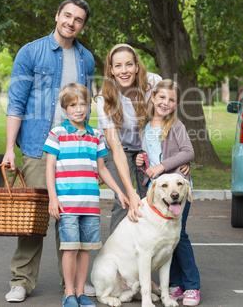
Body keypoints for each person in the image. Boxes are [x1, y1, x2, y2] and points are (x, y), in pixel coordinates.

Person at [2, 0, 96, 303]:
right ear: (57, 16)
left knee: (70, 216)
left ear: (83, 25)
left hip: (74, 150)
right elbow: (16, 104)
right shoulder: (31, 52)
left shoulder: (87, 60)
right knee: (34, 218)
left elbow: (86, 107)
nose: (71, 22)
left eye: (78, 19)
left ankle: (69, 283)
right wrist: (9, 150)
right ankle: (21, 281)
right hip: (36, 147)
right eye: (67, 15)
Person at [43, 83, 129, 307]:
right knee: (70, 250)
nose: (78, 109)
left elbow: (102, 169)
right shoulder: (57, 133)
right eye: (73, 105)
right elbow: (49, 167)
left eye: (82, 104)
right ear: (65, 109)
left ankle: (81, 292)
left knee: (84, 250)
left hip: (90, 204)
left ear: (89, 107)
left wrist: (119, 191)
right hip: (67, 204)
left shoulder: (96, 135)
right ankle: (69, 293)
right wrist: (53, 197)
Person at [136, 79, 201, 306]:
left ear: (176, 104)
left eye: (172, 100)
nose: (166, 103)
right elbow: (150, 159)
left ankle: (192, 286)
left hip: (177, 192)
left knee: (178, 236)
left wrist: (163, 167)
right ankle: (174, 284)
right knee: (166, 240)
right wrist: (140, 161)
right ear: (153, 97)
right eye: (162, 97)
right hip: (159, 195)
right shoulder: (144, 127)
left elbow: (188, 152)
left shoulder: (175, 126)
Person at [96, 43, 162, 233]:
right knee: (125, 197)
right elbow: (116, 149)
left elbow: (167, 122)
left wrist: (178, 157)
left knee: (149, 196)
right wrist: (129, 190)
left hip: (145, 147)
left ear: (137, 66)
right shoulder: (104, 98)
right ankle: (116, 253)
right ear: (111, 70)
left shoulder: (153, 83)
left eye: (128, 65)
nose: (124, 71)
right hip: (116, 148)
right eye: (118, 66)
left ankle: (147, 247)